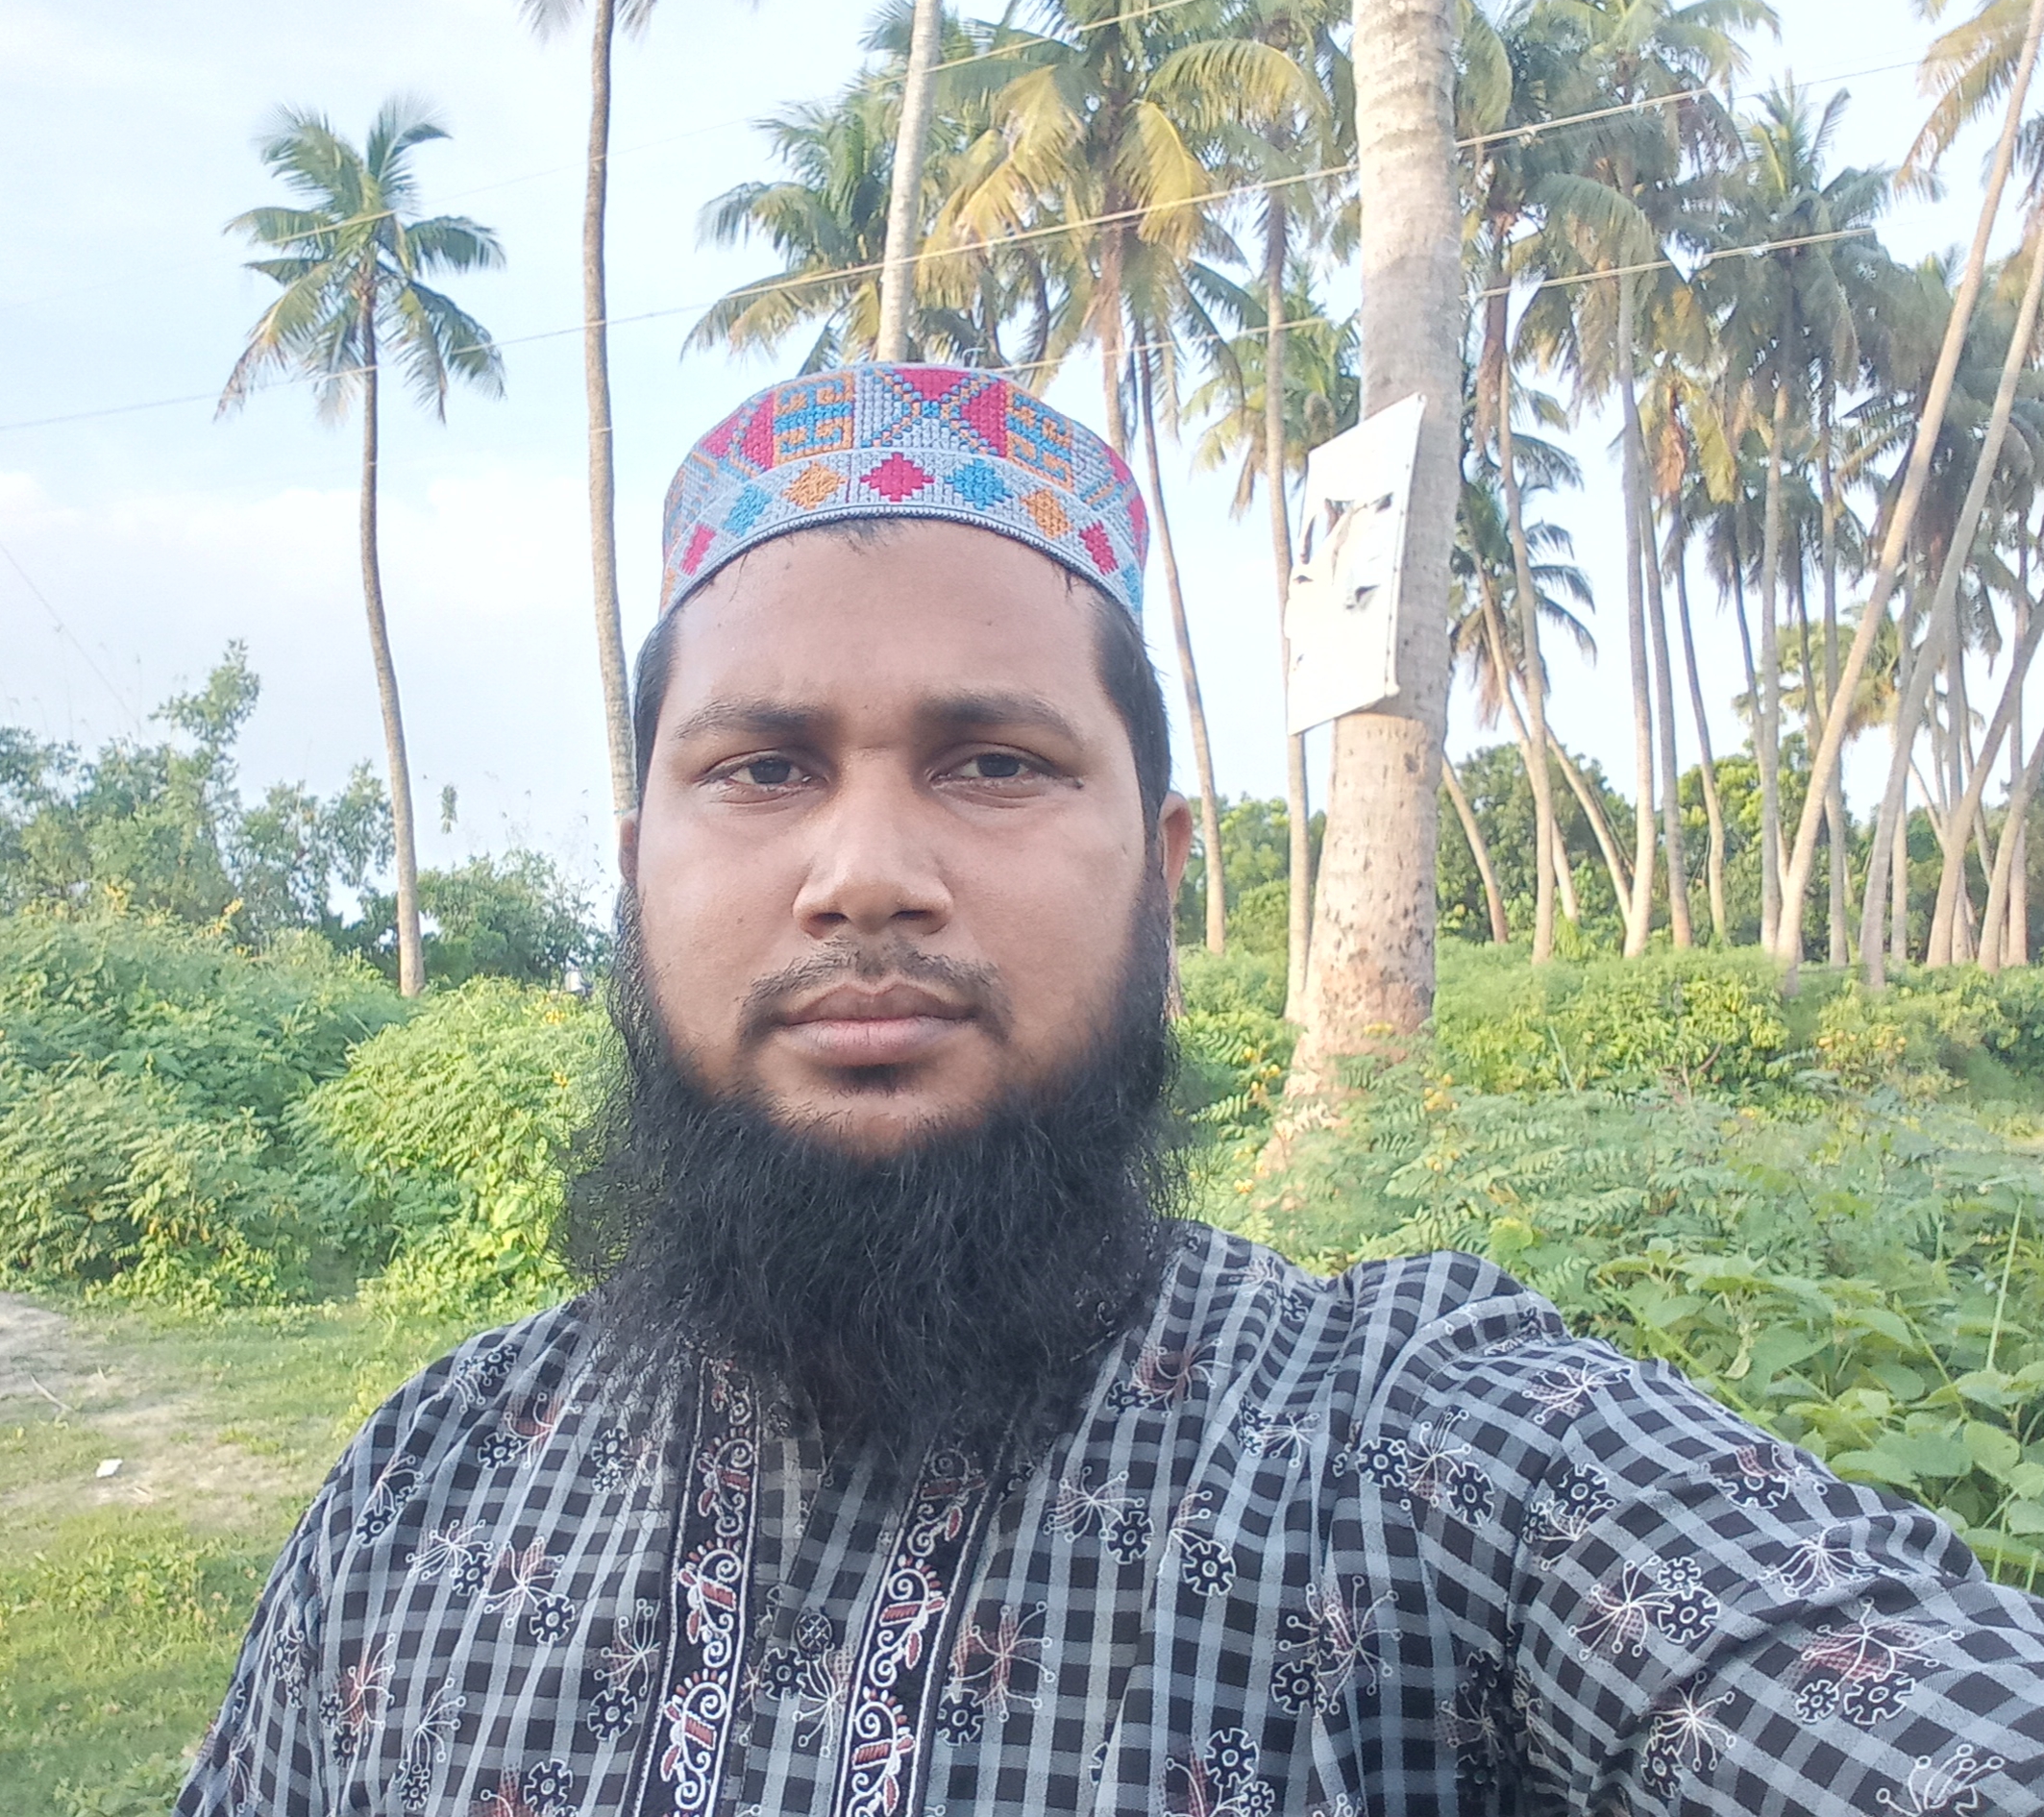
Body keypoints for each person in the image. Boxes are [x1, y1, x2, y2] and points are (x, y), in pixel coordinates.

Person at [179, 365, 2044, 1817]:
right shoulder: (421, 1479)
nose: (864, 874)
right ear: (634, 869)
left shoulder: (1406, 1450)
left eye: (992, 761)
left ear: (1158, 870)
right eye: (760, 768)